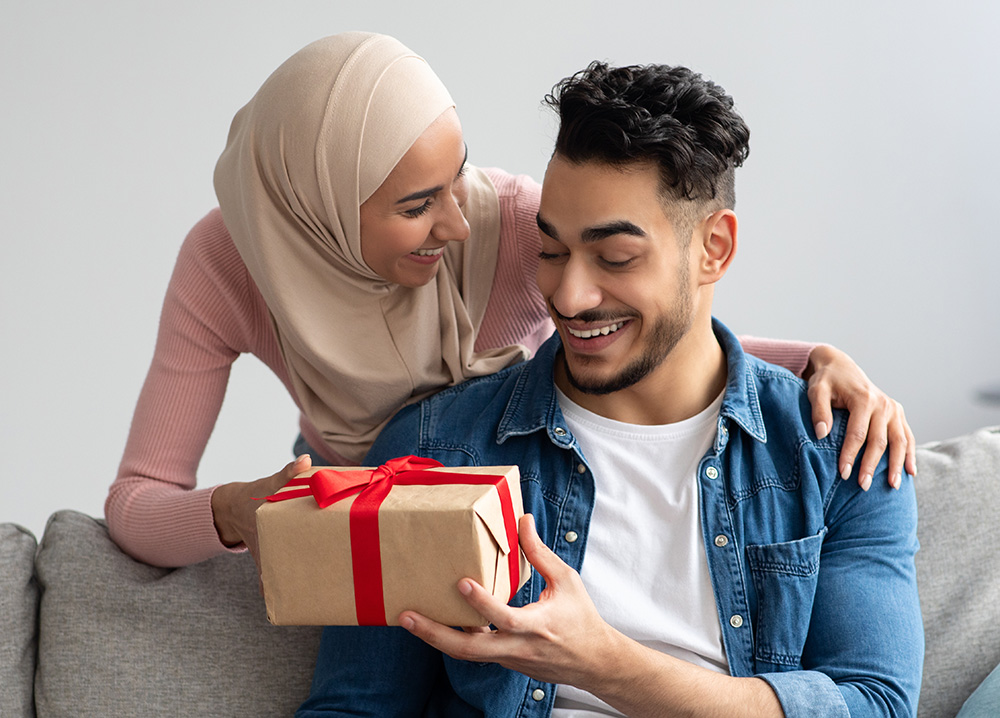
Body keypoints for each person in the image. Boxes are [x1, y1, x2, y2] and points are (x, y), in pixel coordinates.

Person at [105, 33, 914, 571]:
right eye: (417, 204)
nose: (457, 222)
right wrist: (243, 513)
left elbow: (640, 319)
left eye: (458, 175)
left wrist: (813, 361)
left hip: (522, 485)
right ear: (316, 209)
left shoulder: (519, 223)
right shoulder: (227, 261)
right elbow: (137, 502)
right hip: (364, 516)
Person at [298, 60, 923, 717]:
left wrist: (604, 665)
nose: (568, 296)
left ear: (713, 248)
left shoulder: (840, 451)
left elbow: (877, 703)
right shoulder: (435, 449)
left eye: (614, 258)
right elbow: (354, 707)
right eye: (551, 251)